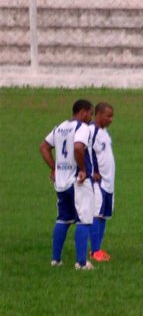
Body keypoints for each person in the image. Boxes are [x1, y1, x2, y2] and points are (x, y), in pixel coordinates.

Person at [39, 99, 96, 270]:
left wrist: (54, 168)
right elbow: (79, 148)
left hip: (61, 183)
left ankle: (56, 260)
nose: (90, 118)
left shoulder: (60, 127)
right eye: (90, 113)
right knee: (83, 220)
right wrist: (83, 169)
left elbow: (43, 147)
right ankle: (81, 262)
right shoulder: (82, 128)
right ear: (83, 111)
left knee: (63, 219)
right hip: (77, 181)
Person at [89, 102, 115, 262]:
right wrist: (93, 172)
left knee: (104, 215)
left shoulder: (104, 132)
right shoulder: (91, 131)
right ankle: (94, 251)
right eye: (108, 115)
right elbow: (84, 151)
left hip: (109, 182)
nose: (111, 119)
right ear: (98, 114)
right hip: (98, 182)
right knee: (97, 214)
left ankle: (98, 248)